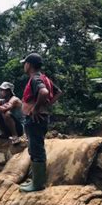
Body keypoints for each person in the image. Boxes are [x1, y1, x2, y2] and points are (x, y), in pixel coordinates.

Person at [19, 53, 62, 192]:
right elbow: (58, 92)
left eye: (25, 63)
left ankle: (37, 184)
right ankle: (35, 181)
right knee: (35, 148)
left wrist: (36, 108)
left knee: (36, 149)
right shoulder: (44, 77)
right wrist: (46, 105)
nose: (24, 66)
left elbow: (43, 92)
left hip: (35, 119)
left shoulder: (35, 78)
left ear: (29, 65)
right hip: (40, 117)